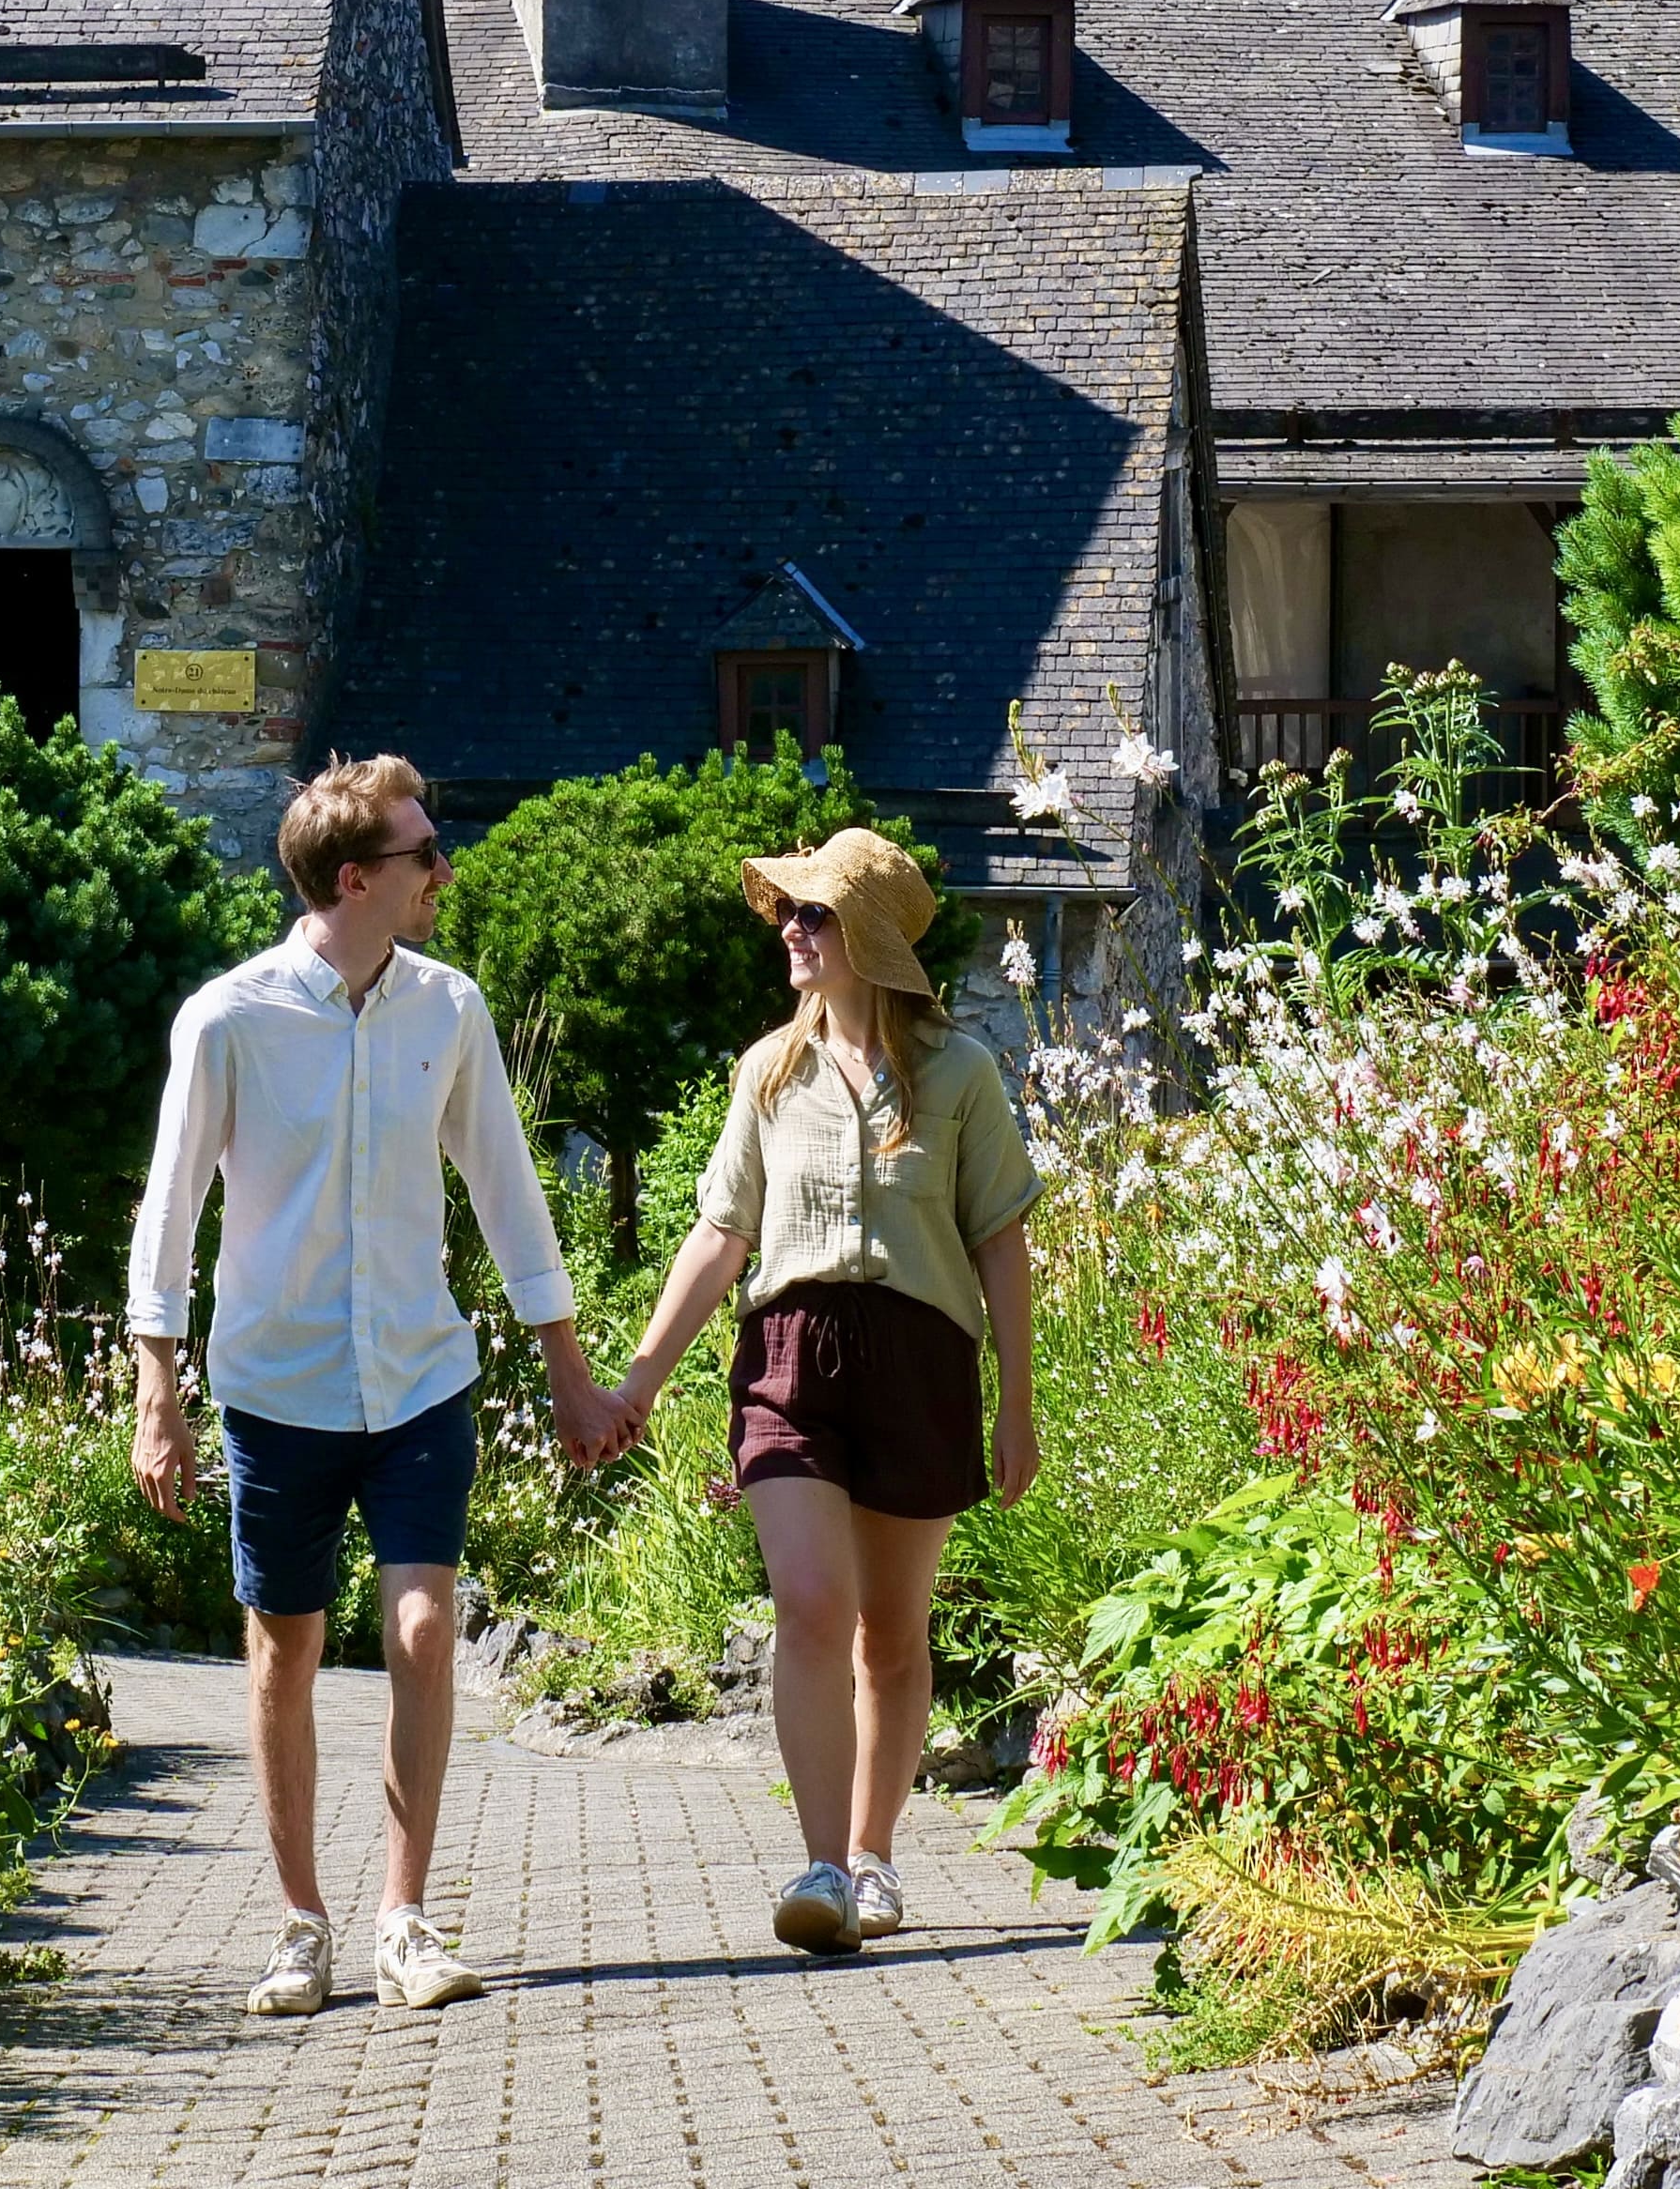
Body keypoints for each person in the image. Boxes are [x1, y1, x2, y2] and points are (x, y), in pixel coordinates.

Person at [128, 753, 634, 2021]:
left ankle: (403, 1918)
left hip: (418, 1378)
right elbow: (169, 1211)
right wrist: (158, 1393)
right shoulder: (229, 1020)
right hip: (277, 1389)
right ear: (356, 880)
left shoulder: (449, 1010)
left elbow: (507, 1190)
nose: (442, 872)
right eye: (423, 855)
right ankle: (300, 1925)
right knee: (285, 1651)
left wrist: (570, 1372)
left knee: (420, 1631)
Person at [604, 824, 1040, 1956]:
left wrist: (1017, 1402)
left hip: (921, 1363)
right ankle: (824, 1869)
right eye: (790, 912)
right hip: (788, 1360)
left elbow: (998, 1240)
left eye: (814, 914)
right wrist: (641, 1377)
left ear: (871, 937)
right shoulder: (769, 1071)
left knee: (891, 1636)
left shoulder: (960, 1073)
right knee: (810, 1603)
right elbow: (721, 1232)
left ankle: (875, 1851)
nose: (791, 931)